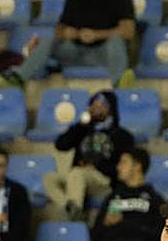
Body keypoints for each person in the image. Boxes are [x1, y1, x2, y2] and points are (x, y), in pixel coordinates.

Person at [0, 0, 135, 88]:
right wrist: (69, 33)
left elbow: (128, 31)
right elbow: (59, 29)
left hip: (104, 55)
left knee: (116, 41)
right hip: (75, 52)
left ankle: (119, 85)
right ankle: (19, 78)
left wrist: (96, 35)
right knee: (49, 40)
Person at [44, 90, 135, 221]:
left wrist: (96, 166)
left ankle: (74, 216)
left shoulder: (122, 135)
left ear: (111, 108)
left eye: (101, 105)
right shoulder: (83, 129)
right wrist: (81, 124)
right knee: (50, 178)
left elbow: (123, 167)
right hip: (77, 178)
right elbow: (61, 145)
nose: (96, 108)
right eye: (94, 105)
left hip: (103, 180)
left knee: (77, 173)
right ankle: (71, 208)